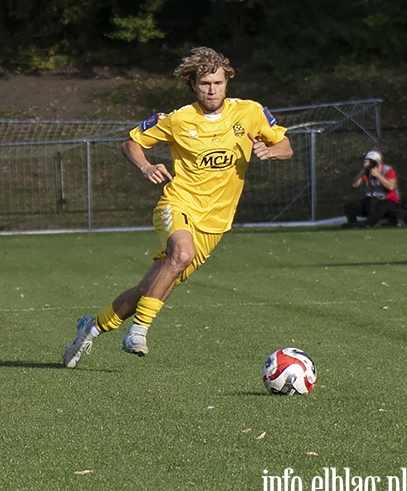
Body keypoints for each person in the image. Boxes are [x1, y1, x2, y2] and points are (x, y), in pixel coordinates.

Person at [63, 46, 293, 368]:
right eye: (204, 84)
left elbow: (285, 145)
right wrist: (145, 167)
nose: (211, 90)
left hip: (215, 225)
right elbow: (131, 143)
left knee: (149, 288)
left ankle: (90, 329)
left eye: (217, 82)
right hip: (178, 203)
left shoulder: (250, 112)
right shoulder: (177, 120)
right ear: (193, 86)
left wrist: (271, 152)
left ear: (227, 81)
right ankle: (138, 331)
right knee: (180, 254)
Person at [343, 150, 400, 227]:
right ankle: (353, 224)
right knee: (349, 206)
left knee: (380, 207)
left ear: (378, 161)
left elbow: (391, 186)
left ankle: (368, 225)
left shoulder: (388, 170)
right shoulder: (367, 172)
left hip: (387, 200)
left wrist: (377, 175)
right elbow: (355, 184)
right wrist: (363, 170)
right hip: (371, 200)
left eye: (372, 162)